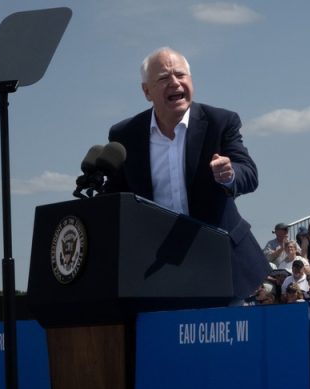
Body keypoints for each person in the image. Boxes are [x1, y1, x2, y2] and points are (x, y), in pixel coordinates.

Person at [106, 47, 269, 299]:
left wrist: (228, 174)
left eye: (181, 75)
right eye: (163, 78)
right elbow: (116, 198)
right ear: (146, 91)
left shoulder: (220, 122)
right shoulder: (125, 135)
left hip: (221, 261)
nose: (174, 82)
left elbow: (248, 173)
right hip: (157, 267)